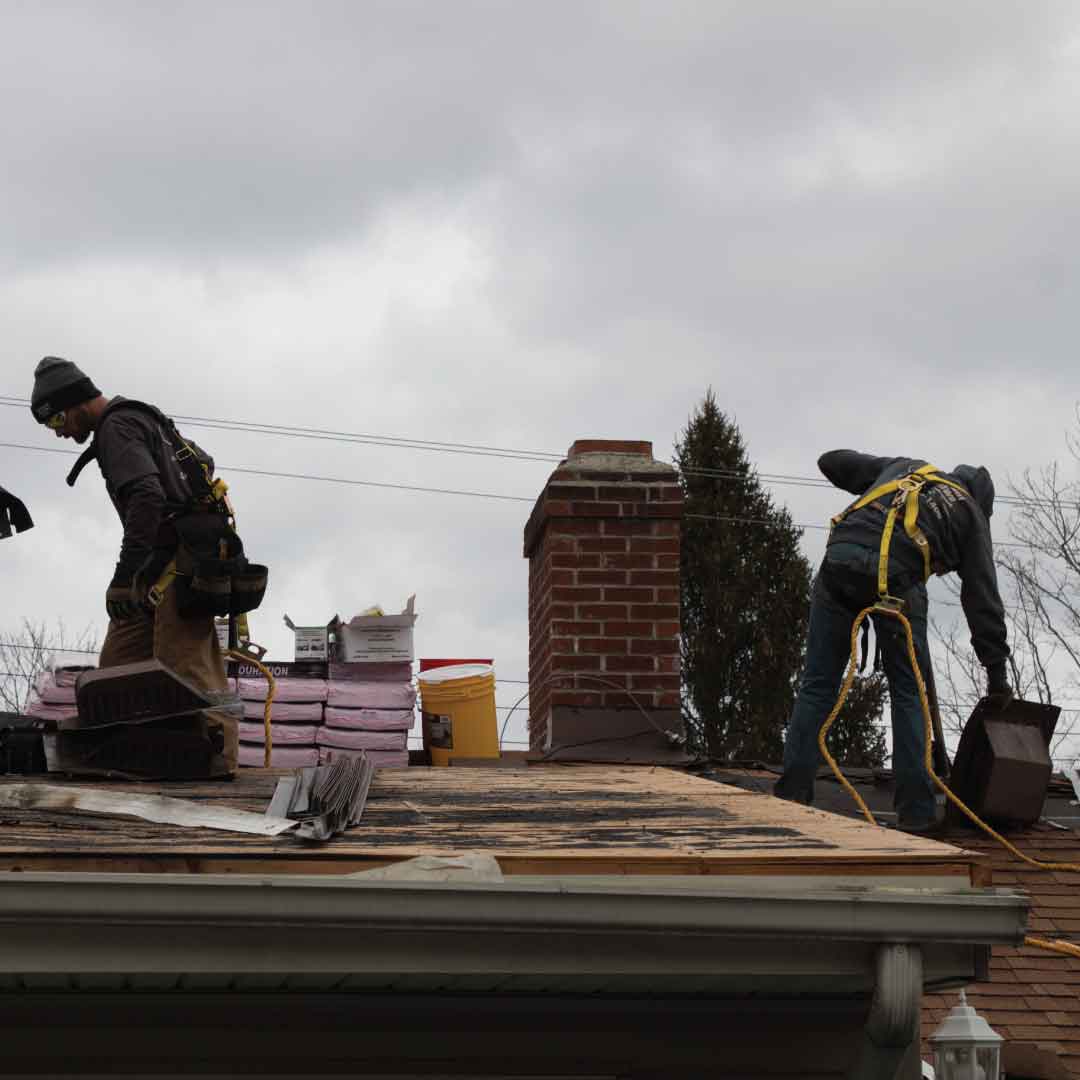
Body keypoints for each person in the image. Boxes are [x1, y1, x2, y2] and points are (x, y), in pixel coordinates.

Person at [774, 450, 1010, 834]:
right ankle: (916, 812)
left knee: (817, 684)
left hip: (838, 564)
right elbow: (982, 598)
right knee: (907, 692)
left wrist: (876, 478)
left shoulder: (908, 469)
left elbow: (830, 461)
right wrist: (996, 673)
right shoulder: (971, 515)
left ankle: (792, 796)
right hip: (895, 585)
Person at [30, 355, 246, 773]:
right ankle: (131, 756)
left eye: (58, 422)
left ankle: (215, 764)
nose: (60, 434)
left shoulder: (117, 428)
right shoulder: (141, 419)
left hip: (182, 564)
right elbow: (203, 461)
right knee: (117, 671)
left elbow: (147, 496)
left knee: (186, 669)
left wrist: (124, 576)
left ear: (74, 404)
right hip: (160, 564)